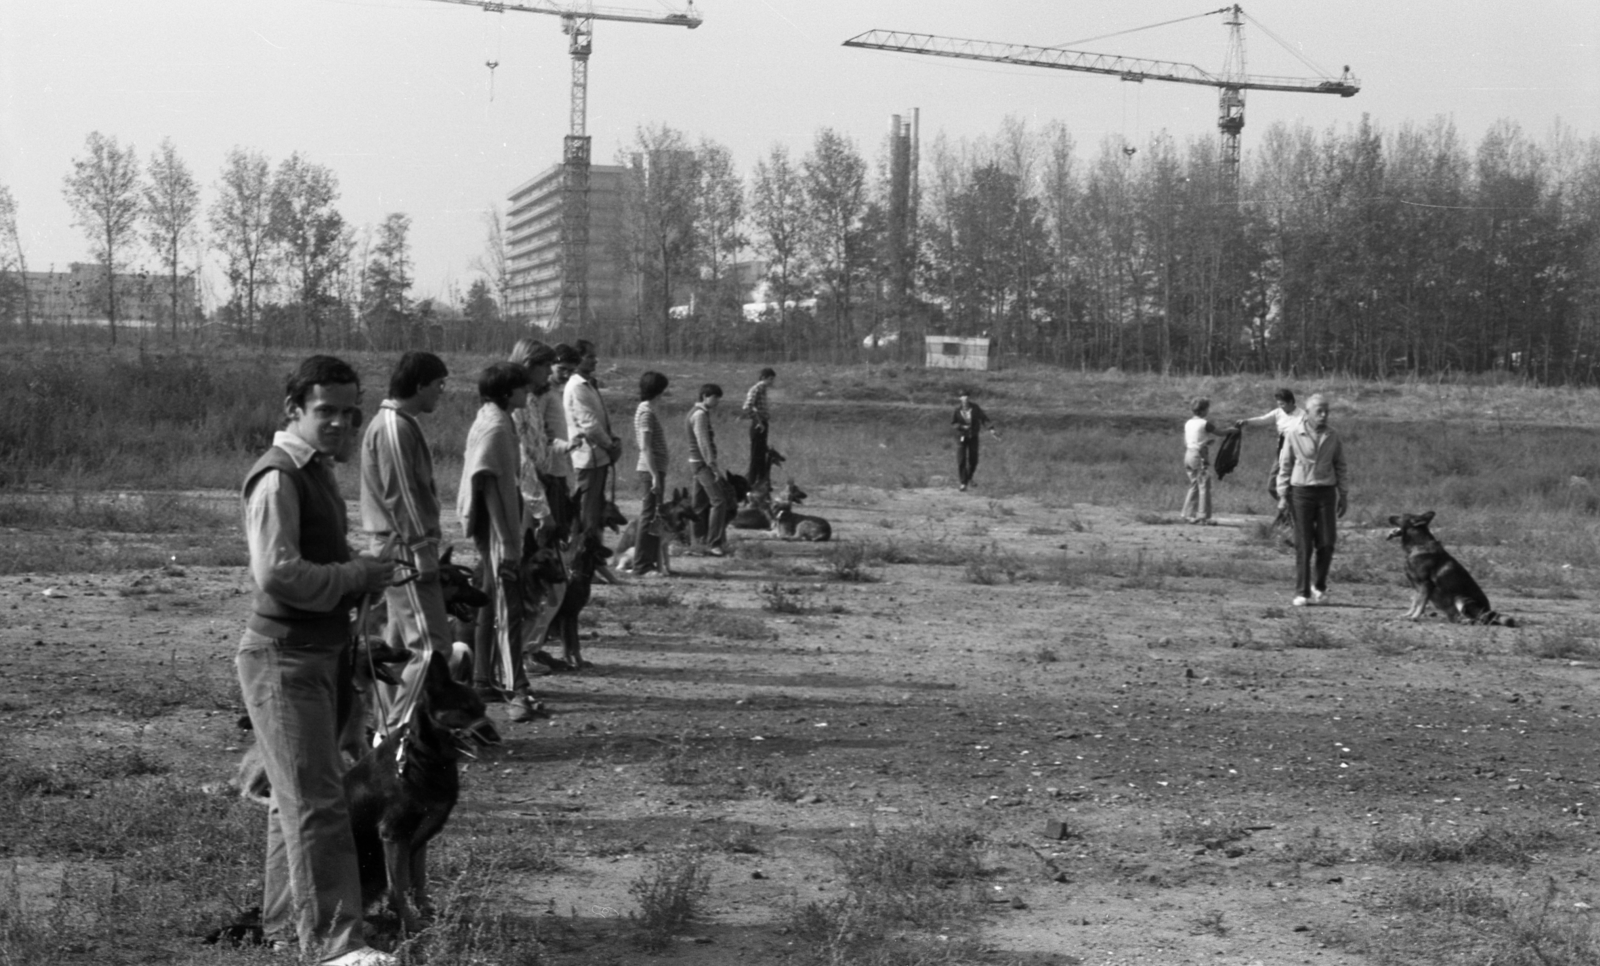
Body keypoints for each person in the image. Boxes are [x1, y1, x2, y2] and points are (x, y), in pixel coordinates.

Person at [237, 355, 397, 966]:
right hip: (284, 657)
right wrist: (355, 572)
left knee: (295, 798)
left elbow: (312, 563)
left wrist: (364, 572)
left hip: (317, 654)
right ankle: (334, 946)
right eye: (324, 410)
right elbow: (276, 574)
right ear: (294, 411)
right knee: (317, 803)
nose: (338, 423)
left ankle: (284, 929)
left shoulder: (315, 471)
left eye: (348, 412)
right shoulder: (278, 476)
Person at [358, 351, 450, 741]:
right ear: (419, 385)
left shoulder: (398, 423)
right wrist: (422, 548)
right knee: (431, 649)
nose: (441, 393)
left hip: (398, 547)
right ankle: (397, 733)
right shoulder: (394, 427)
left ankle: (383, 726)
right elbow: (402, 496)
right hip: (404, 550)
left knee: (397, 647)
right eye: (438, 385)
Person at [459, 362, 543, 723]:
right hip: (497, 531)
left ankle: (482, 678)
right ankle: (517, 690)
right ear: (508, 392)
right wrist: (508, 541)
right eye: (522, 389)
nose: (527, 393)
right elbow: (490, 484)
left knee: (491, 602)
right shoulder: (495, 426)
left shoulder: (494, 417)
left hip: (497, 527)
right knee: (509, 608)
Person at [1277, 393, 1348, 607]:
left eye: (1327, 411)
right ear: (1308, 413)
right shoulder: (1293, 433)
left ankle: (1320, 586)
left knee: (1327, 542)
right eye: (1320, 411)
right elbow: (1285, 464)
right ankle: (1303, 592)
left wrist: (1343, 494)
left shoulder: (1333, 435)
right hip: (1301, 493)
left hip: (1326, 492)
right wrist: (1282, 495)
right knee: (1304, 544)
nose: (1324, 415)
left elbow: (1341, 466)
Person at [562, 341, 619, 538]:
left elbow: (598, 421)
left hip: (598, 456)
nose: (595, 360)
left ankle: (590, 556)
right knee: (587, 512)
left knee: (595, 510)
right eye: (590, 357)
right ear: (578, 361)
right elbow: (590, 425)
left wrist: (612, 441)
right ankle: (581, 558)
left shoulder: (588, 385)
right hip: (588, 457)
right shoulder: (577, 387)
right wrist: (610, 445)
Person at [1236, 387, 1304, 511]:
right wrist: (1246, 422)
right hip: (1281, 453)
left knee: (1293, 485)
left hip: (1297, 455)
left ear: (1290, 402)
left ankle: (1295, 513)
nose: (1281, 407)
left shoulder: (1302, 416)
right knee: (1272, 486)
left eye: (1282, 404)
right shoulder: (1278, 413)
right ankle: (1289, 508)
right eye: (1278, 404)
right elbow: (1263, 419)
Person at [631, 370, 671, 575]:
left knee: (654, 515)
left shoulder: (647, 410)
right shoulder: (646, 412)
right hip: (650, 471)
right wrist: (655, 474)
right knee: (649, 516)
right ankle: (641, 564)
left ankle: (650, 561)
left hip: (654, 470)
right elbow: (645, 447)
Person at [687, 383, 729, 557]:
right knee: (719, 501)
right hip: (702, 464)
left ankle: (697, 543)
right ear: (705, 396)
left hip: (696, 462)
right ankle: (714, 543)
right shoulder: (700, 415)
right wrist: (713, 466)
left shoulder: (697, 413)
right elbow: (703, 442)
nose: (717, 401)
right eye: (715, 397)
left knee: (698, 504)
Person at [1182, 397, 1225, 525]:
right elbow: (1220, 433)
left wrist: (1205, 442)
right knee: (1204, 484)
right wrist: (1233, 431)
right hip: (1198, 456)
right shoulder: (1204, 423)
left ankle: (1187, 514)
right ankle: (1203, 516)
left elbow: (1188, 441)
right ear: (1204, 410)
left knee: (1194, 484)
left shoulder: (1188, 423)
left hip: (1188, 455)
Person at [951, 389, 998, 492]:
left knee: (973, 460)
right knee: (961, 460)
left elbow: (984, 419)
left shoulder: (975, 408)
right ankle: (963, 483)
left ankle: (969, 477)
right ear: (960, 399)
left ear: (969, 398)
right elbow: (953, 423)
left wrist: (991, 429)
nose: (965, 399)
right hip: (961, 437)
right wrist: (962, 426)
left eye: (967, 396)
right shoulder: (957, 410)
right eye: (963, 397)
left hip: (973, 437)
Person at [741, 367, 776, 488]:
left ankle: (761, 484)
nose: (772, 382)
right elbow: (747, 407)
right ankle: (750, 484)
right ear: (763, 378)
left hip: (763, 424)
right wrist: (758, 421)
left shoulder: (763, 390)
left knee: (761, 456)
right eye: (770, 379)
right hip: (758, 426)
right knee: (756, 456)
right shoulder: (756, 389)